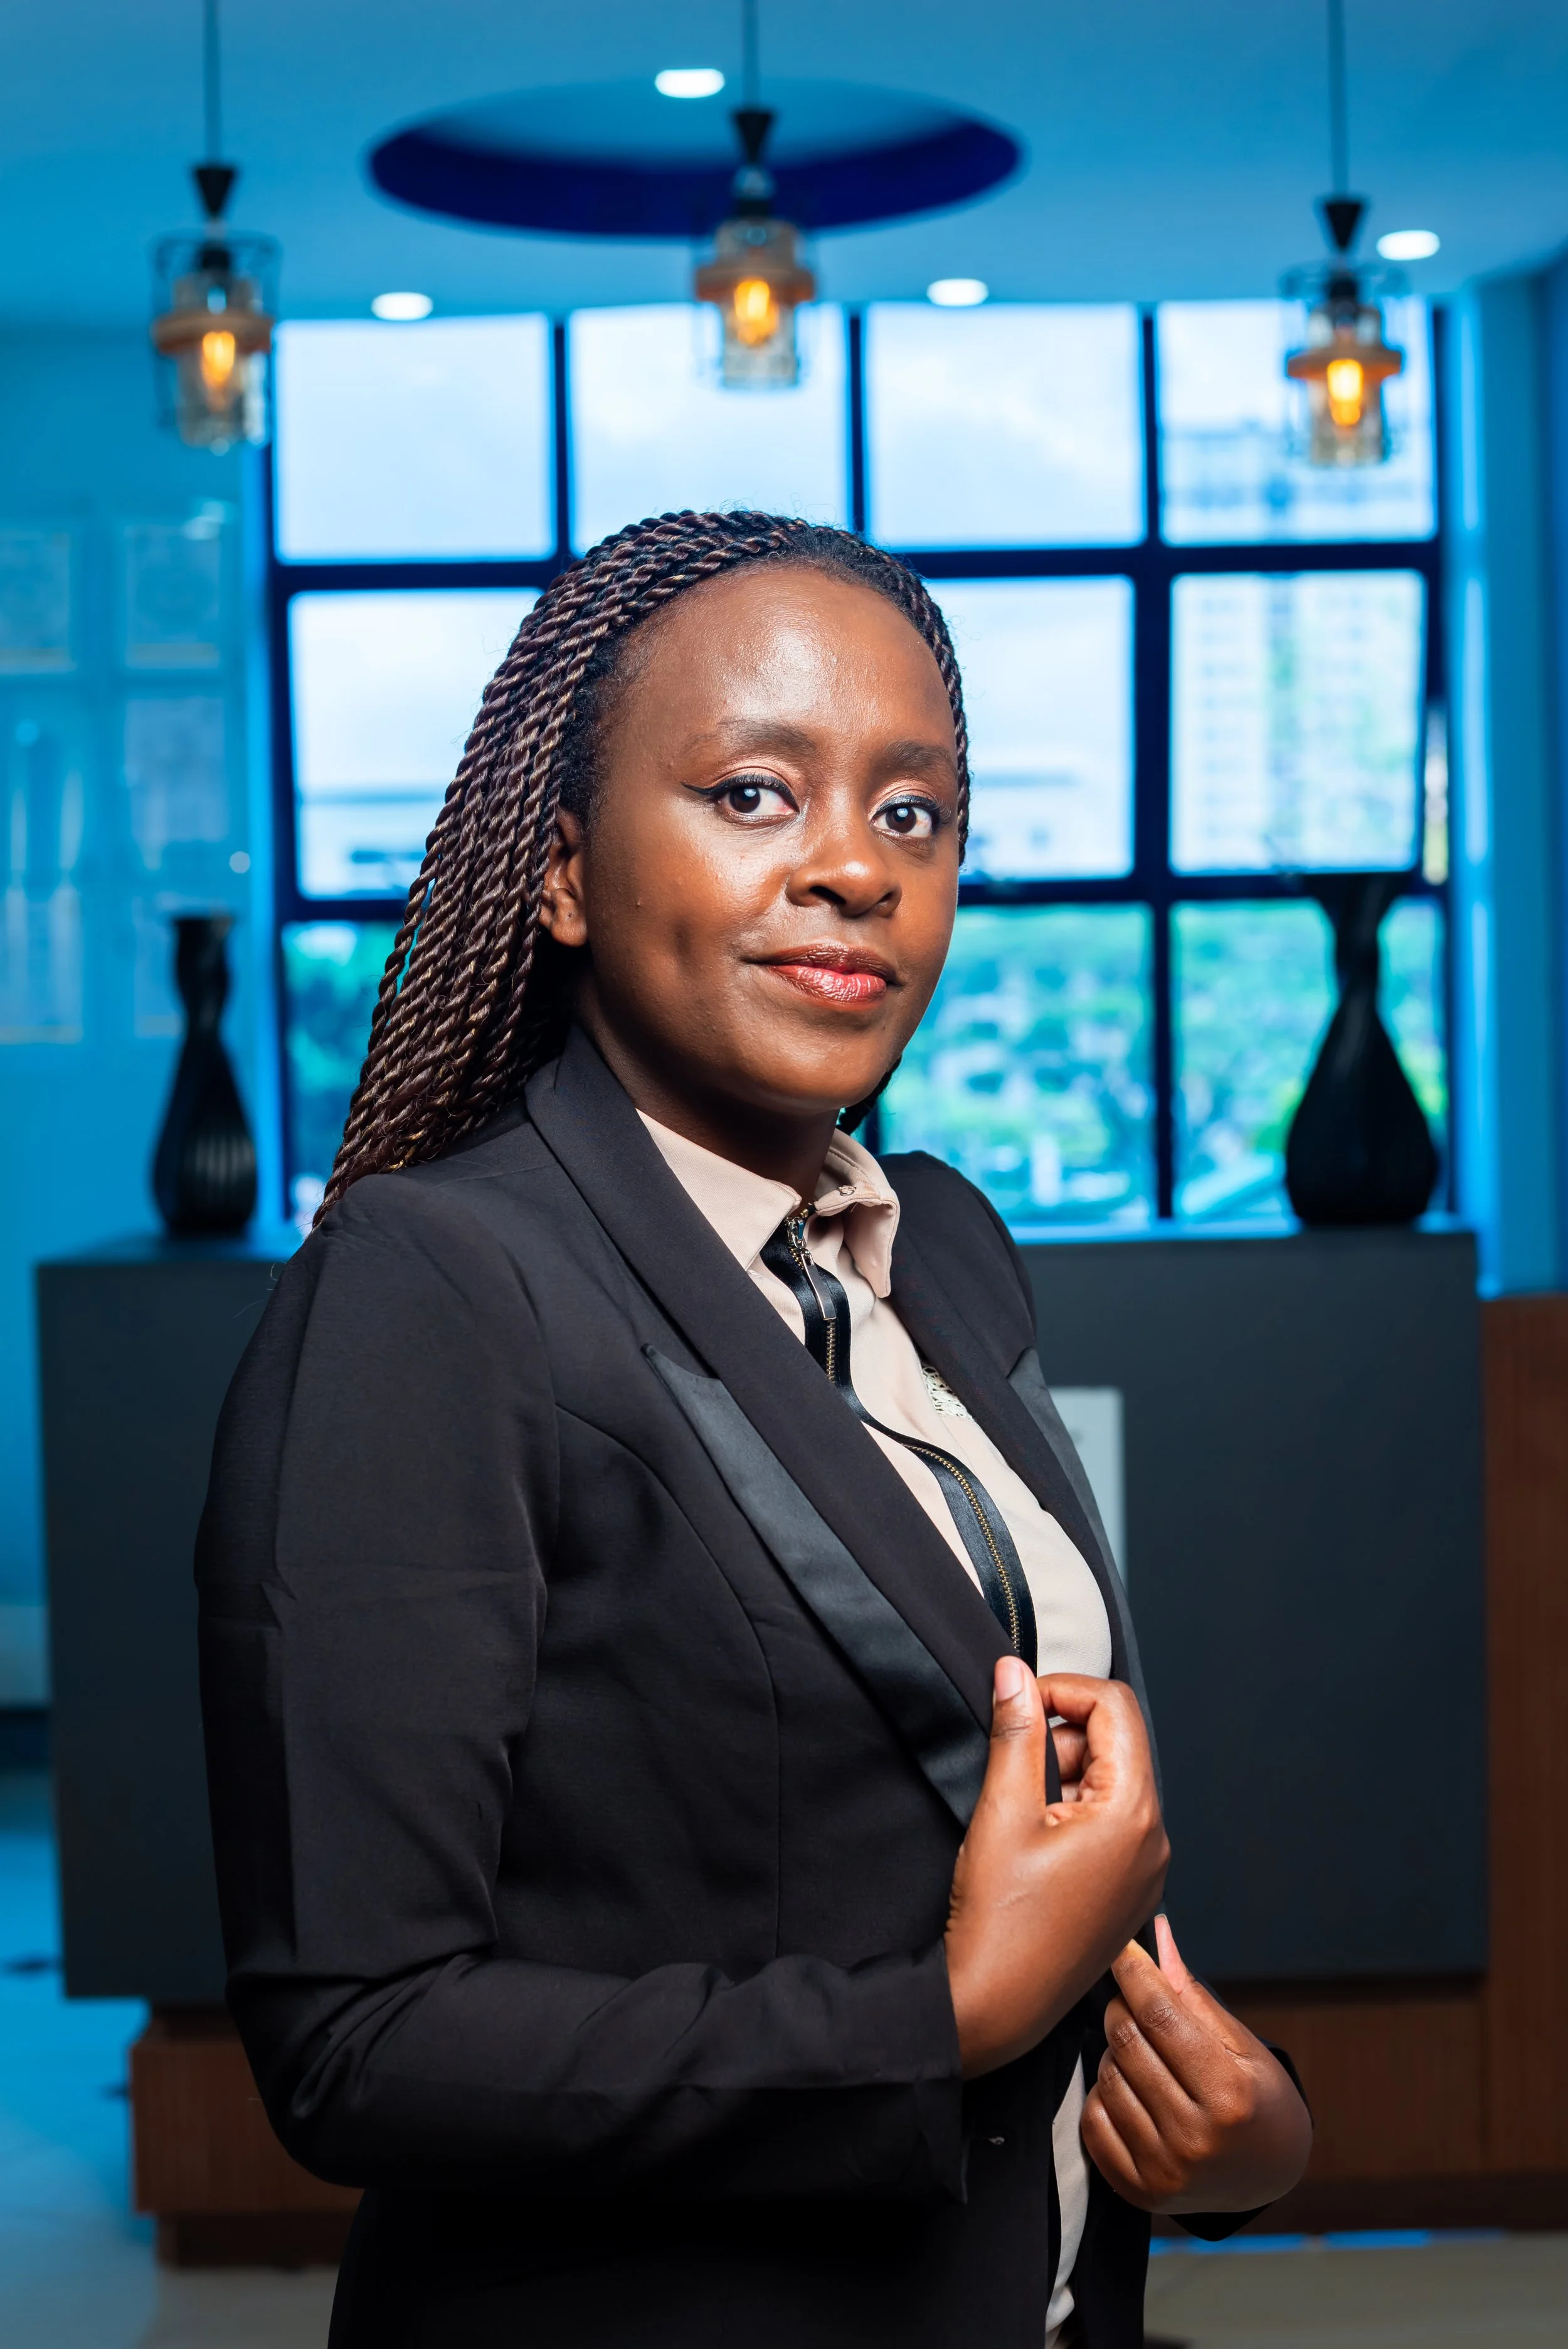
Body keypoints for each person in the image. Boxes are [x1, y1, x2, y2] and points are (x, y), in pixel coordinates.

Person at [197, 511, 1311, 2349]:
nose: (852, 870)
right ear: (557, 871)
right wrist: (939, 2029)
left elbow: (956, 1809)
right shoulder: (431, 1288)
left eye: (911, 813)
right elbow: (358, 2041)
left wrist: (1230, 2116)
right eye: (746, 794)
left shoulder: (936, 1243)